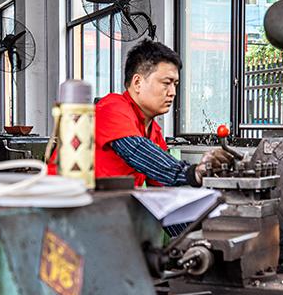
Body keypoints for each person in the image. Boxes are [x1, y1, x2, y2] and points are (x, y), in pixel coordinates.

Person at [95, 40, 230, 188]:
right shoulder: (111, 108)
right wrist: (193, 173)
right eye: (166, 83)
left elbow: (161, 179)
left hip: (122, 200)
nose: (173, 92)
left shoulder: (154, 131)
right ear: (138, 83)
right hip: (92, 201)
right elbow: (137, 151)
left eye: (175, 84)